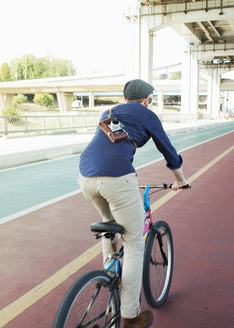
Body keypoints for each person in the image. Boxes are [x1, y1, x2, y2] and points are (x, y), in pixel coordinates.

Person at [78, 79, 188, 328]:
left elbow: (110, 146)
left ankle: (109, 277)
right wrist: (180, 180)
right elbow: (168, 151)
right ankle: (131, 316)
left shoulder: (108, 112)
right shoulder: (147, 114)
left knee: (109, 225)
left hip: (86, 177)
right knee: (135, 242)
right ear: (147, 100)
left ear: (125, 98)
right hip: (117, 178)